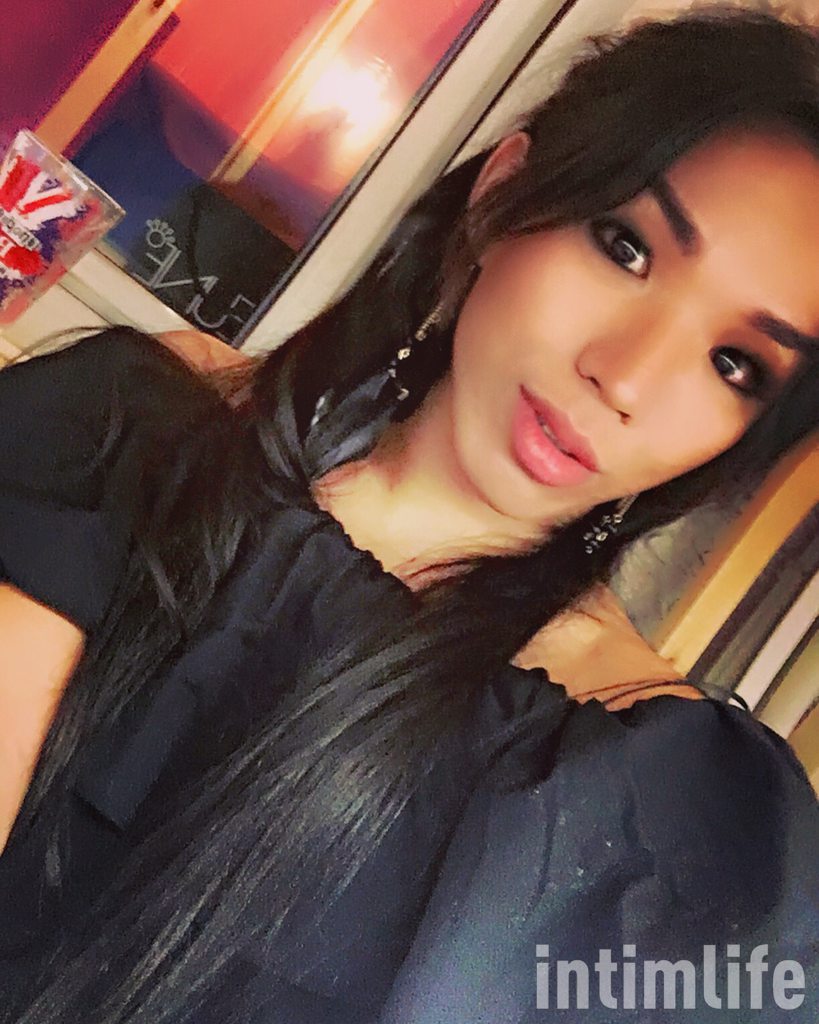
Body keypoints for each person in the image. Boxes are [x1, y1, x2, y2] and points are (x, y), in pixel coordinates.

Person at [1, 7, 818, 1023]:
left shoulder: (652, 806)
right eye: (626, 247)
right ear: (502, 197)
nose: (626, 378)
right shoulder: (125, 433)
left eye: (734, 364)